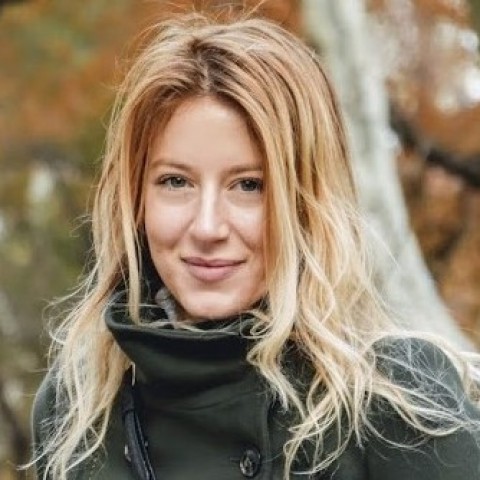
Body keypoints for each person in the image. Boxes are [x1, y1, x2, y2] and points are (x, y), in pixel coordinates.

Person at [32, 11, 480, 480]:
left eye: (249, 185)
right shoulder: (74, 413)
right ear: (135, 198)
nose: (207, 227)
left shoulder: (399, 405)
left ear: (306, 203)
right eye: (176, 181)